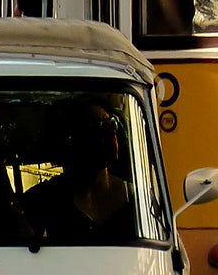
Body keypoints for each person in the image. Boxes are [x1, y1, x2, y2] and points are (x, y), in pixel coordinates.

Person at [22, 103, 135, 244]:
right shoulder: (45, 200)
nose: (111, 134)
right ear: (73, 139)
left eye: (112, 124)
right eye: (98, 128)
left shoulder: (138, 200)